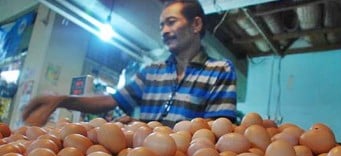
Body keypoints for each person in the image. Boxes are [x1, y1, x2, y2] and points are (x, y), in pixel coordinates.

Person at [22, 0, 237, 128]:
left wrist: (144, 127)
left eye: (171, 22)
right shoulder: (153, 72)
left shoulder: (219, 71)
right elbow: (110, 100)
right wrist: (62, 100)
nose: (164, 31)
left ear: (196, 24)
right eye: (161, 25)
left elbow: (216, 130)